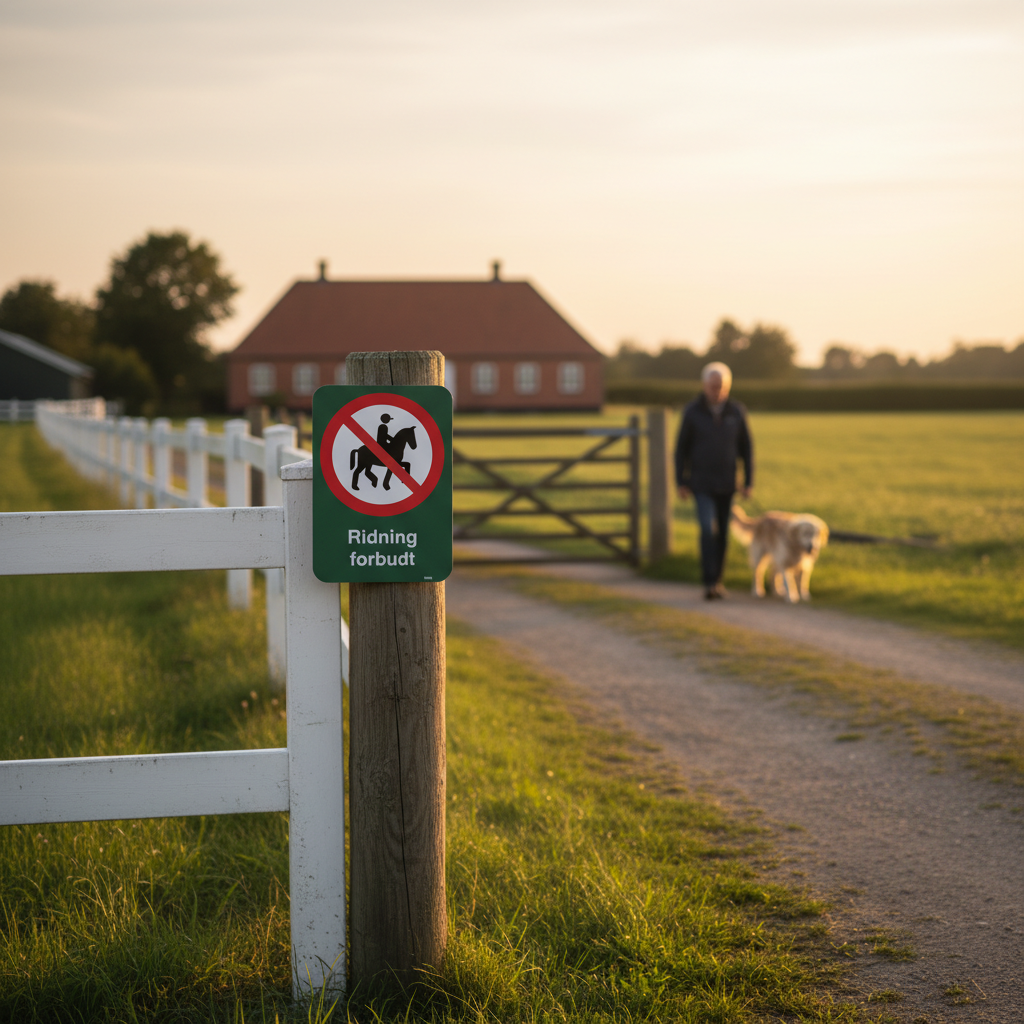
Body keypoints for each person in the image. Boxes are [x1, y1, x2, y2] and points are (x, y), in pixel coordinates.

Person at [674, 362, 754, 600]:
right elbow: (681, 449)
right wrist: (680, 481)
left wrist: (748, 481)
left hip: (727, 483)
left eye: (721, 387)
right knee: (708, 529)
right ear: (704, 386)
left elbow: (746, 449)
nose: (717, 391)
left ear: (728, 387)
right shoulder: (692, 412)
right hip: (700, 483)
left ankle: (718, 581)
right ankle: (709, 581)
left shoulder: (736, 412)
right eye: (713, 386)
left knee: (722, 534)